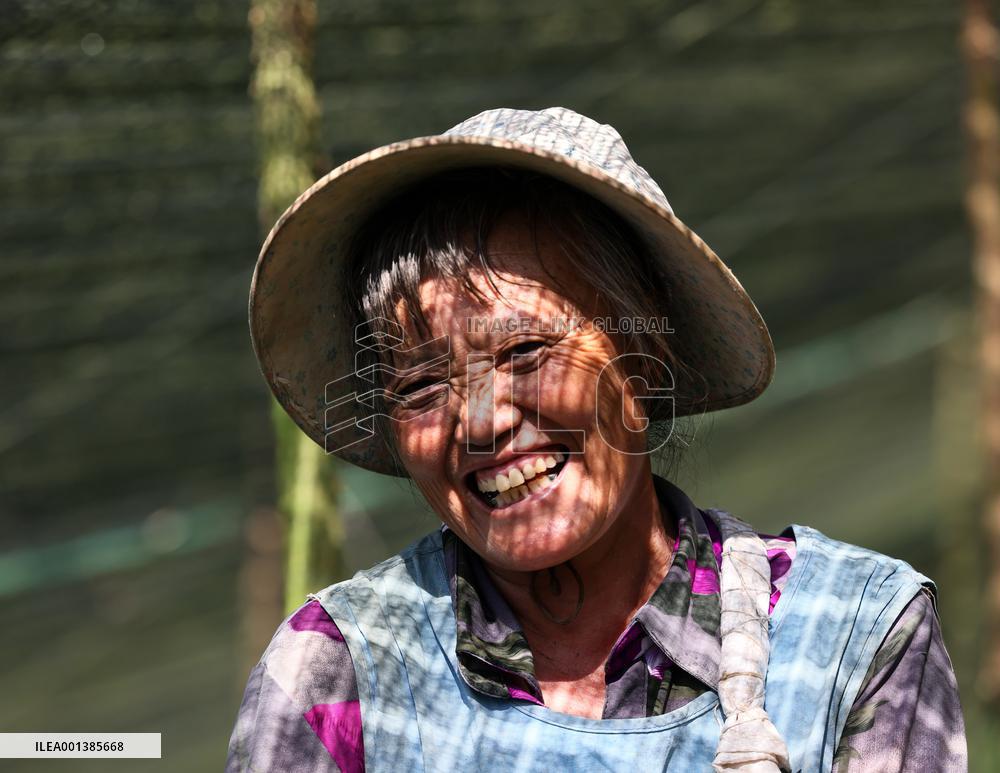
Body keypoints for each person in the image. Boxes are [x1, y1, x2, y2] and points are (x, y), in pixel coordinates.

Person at [227, 107, 967, 772]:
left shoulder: (851, 635)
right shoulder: (343, 665)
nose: (480, 420)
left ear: (644, 364)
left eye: (525, 353)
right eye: (421, 385)